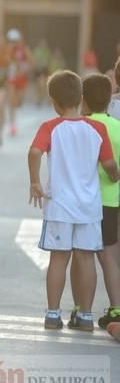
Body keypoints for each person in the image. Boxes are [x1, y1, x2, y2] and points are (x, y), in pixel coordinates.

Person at [29, 70, 119, 331]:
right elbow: (110, 165)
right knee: (86, 258)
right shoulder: (98, 128)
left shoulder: (50, 128)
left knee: (59, 259)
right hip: (89, 207)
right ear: (81, 98)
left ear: (53, 101)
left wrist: (35, 180)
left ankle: (54, 314)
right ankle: (87, 317)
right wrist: (114, 176)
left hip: (60, 206)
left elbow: (35, 151)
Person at [78, 74, 120, 330]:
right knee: (109, 257)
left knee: (82, 256)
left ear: (82, 100)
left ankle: (81, 310)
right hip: (111, 200)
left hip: (83, 201)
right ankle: (116, 308)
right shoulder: (116, 126)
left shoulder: (80, 126)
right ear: (109, 99)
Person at [6, 29, 31, 137]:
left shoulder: (25, 50)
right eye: (12, 41)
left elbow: (31, 63)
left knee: (19, 101)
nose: (14, 43)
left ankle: (16, 107)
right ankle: (12, 125)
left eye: (16, 40)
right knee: (11, 101)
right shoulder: (8, 50)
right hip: (11, 78)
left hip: (22, 78)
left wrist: (24, 69)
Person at [32, 39, 52, 107]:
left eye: (45, 44)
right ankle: (39, 99)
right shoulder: (37, 51)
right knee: (39, 85)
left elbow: (49, 61)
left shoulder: (47, 51)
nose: (43, 45)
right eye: (42, 44)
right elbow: (34, 60)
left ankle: (41, 99)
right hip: (38, 70)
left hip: (45, 70)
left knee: (44, 85)